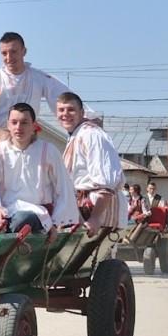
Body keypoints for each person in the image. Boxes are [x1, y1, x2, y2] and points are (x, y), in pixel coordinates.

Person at [0, 103, 79, 242]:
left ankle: (1, 261)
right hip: (4, 209)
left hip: (36, 212)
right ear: (8, 125)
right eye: (14, 122)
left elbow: (63, 188)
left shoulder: (48, 151)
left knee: (21, 220)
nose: (18, 127)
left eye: (24, 123)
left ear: (34, 126)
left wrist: (55, 223)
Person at [0, 32, 95, 150]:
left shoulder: (38, 77)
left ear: (24, 51)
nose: (9, 58)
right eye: (4, 53)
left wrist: (88, 116)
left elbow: (64, 97)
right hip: (2, 139)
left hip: (29, 138)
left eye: (13, 52)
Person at [57, 91, 128, 237]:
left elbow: (106, 181)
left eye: (71, 109)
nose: (66, 114)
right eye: (61, 110)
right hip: (82, 212)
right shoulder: (76, 135)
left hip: (97, 213)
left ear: (82, 112)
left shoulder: (92, 135)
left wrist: (95, 218)